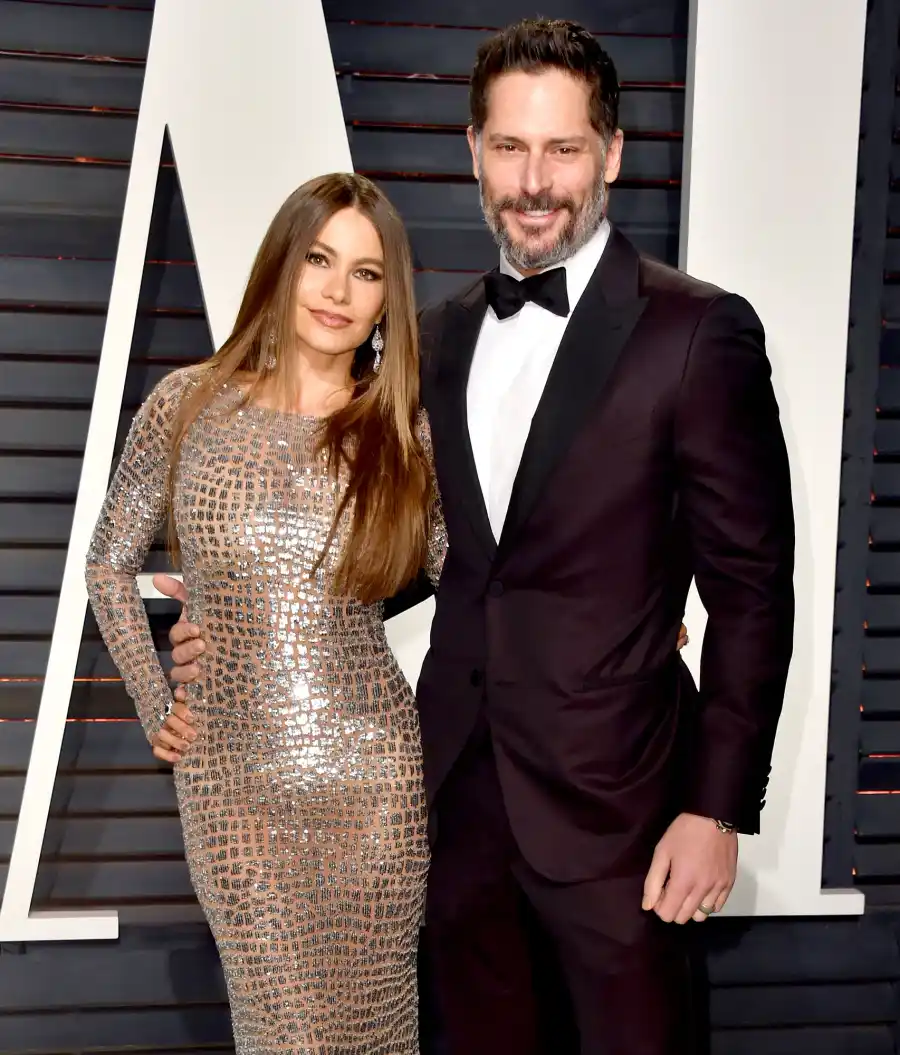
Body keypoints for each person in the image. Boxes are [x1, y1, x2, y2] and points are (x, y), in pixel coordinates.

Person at [157, 17, 794, 1055]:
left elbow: (755, 591)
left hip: (622, 814)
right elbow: (413, 553)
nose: (534, 180)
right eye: (509, 147)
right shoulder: (433, 339)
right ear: (473, 151)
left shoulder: (697, 331)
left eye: (562, 148)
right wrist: (241, 620)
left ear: (612, 154)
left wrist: (716, 809)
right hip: (445, 806)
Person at [84, 172, 446, 1055]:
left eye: (365, 273)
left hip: (375, 779)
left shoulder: (399, 428)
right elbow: (108, 562)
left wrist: (615, 614)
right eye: (319, 259)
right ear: (284, 265)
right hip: (234, 784)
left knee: (378, 1033)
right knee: (282, 1032)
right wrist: (155, 700)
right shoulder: (189, 403)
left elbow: (481, 579)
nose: (335, 290)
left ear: (385, 302)